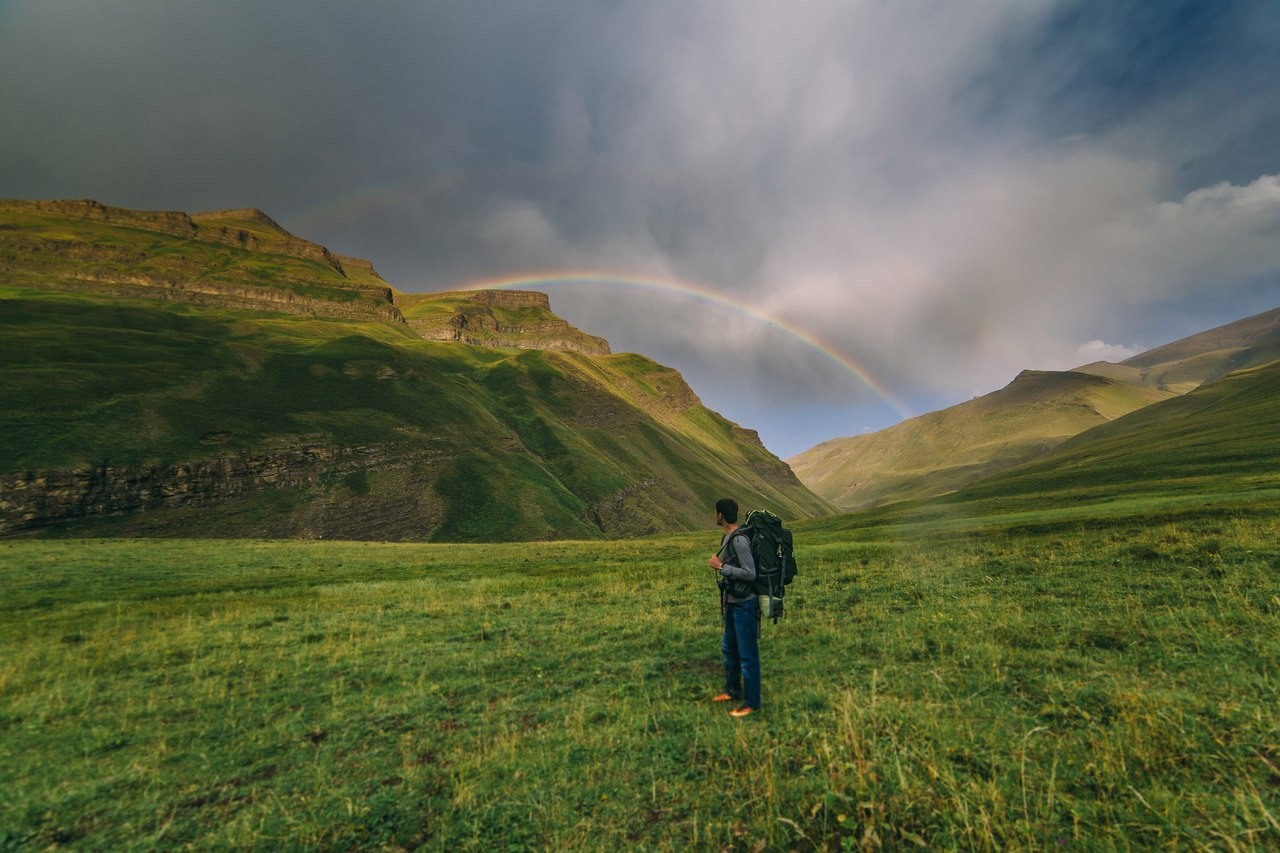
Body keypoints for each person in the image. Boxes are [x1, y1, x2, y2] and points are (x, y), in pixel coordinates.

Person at [709, 497, 759, 717]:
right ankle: (732, 691)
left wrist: (722, 567)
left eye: (715, 512)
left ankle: (751, 703)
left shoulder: (739, 540)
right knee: (728, 648)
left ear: (720, 515)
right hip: (732, 602)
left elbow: (750, 573)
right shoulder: (728, 536)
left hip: (745, 603)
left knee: (747, 655)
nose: (715, 516)